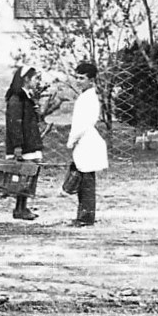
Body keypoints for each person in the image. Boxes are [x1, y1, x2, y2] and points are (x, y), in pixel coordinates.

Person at [4, 67, 48, 221]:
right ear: (26, 79)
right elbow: (14, 123)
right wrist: (17, 145)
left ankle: (22, 206)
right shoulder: (17, 99)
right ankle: (19, 208)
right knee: (23, 176)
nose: (37, 81)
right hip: (24, 144)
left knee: (28, 175)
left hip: (29, 142)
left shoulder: (26, 98)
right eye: (35, 78)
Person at [66, 61, 107, 226]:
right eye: (77, 77)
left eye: (82, 78)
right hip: (84, 141)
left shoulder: (88, 98)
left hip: (86, 140)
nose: (78, 81)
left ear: (91, 80)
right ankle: (83, 214)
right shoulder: (84, 97)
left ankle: (86, 216)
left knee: (86, 181)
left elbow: (82, 125)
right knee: (83, 179)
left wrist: (71, 140)